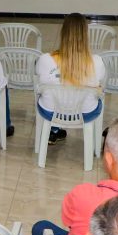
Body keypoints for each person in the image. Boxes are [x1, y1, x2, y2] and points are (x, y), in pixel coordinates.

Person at [36, 13, 104, 144]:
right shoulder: (97, 62)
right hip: (86, 113)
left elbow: (40, 78)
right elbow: (99, 81)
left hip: (50, 112)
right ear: (85, 35)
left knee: (53, 93)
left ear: (63, 33)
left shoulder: (45, 59)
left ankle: (53, 130)